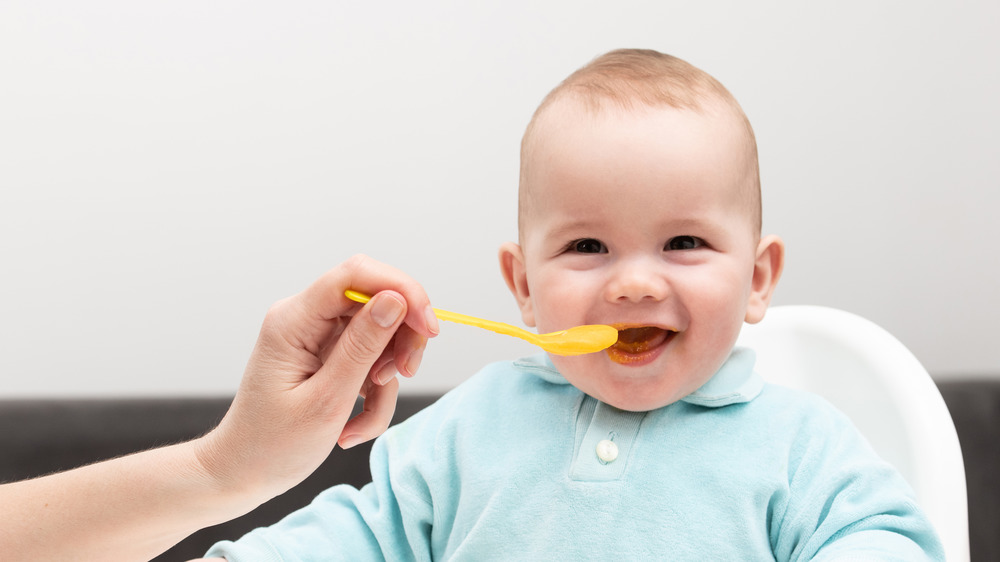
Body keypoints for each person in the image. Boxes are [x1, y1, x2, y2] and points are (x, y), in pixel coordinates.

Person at [202, 49, 945, 560]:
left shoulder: (799, 444)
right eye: (589, 248)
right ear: (523, 286)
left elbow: (888, 538)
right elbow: (365, 535)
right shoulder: (472, 426)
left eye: (683, 241)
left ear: (757, 279)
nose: (634, 284)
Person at [0, 256, 440, 561]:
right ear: (514, 280)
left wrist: (222, 470)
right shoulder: (457, 436)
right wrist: (223, 473)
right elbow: (372, 535)